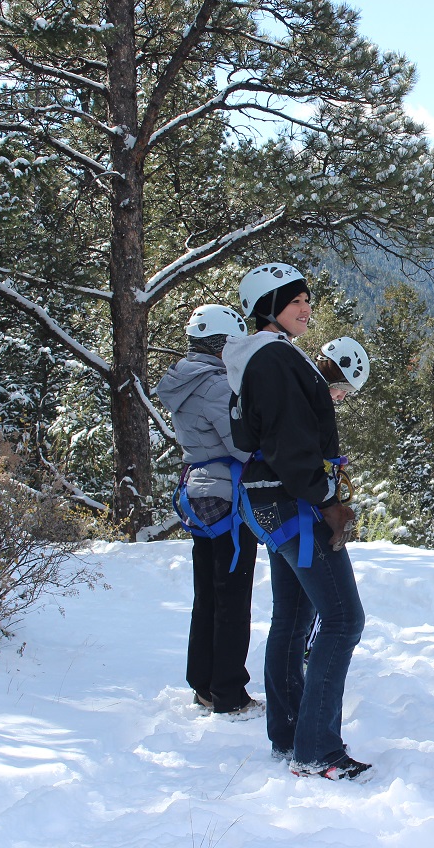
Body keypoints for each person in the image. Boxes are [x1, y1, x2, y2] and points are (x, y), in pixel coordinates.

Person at [222, 263, 370, 781]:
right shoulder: (276, 358)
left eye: (308, 300)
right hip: (295, 501)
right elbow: (291, 441)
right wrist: (328, 498)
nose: (307, 310)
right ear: (268, 307)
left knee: (293, 614)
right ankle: (317, 749)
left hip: (270, 498)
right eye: (295, 301)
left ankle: (289, 734)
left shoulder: (258, 358)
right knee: (344, 619)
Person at [156, 304, 262, 718]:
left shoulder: (186, 379)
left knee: (208, 595)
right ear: (221, 345)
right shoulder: (216, 385)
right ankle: (228, 693)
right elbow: (240, 444)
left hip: (199, 490)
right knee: (232, 598)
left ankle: (204, 683)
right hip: (227, 496)